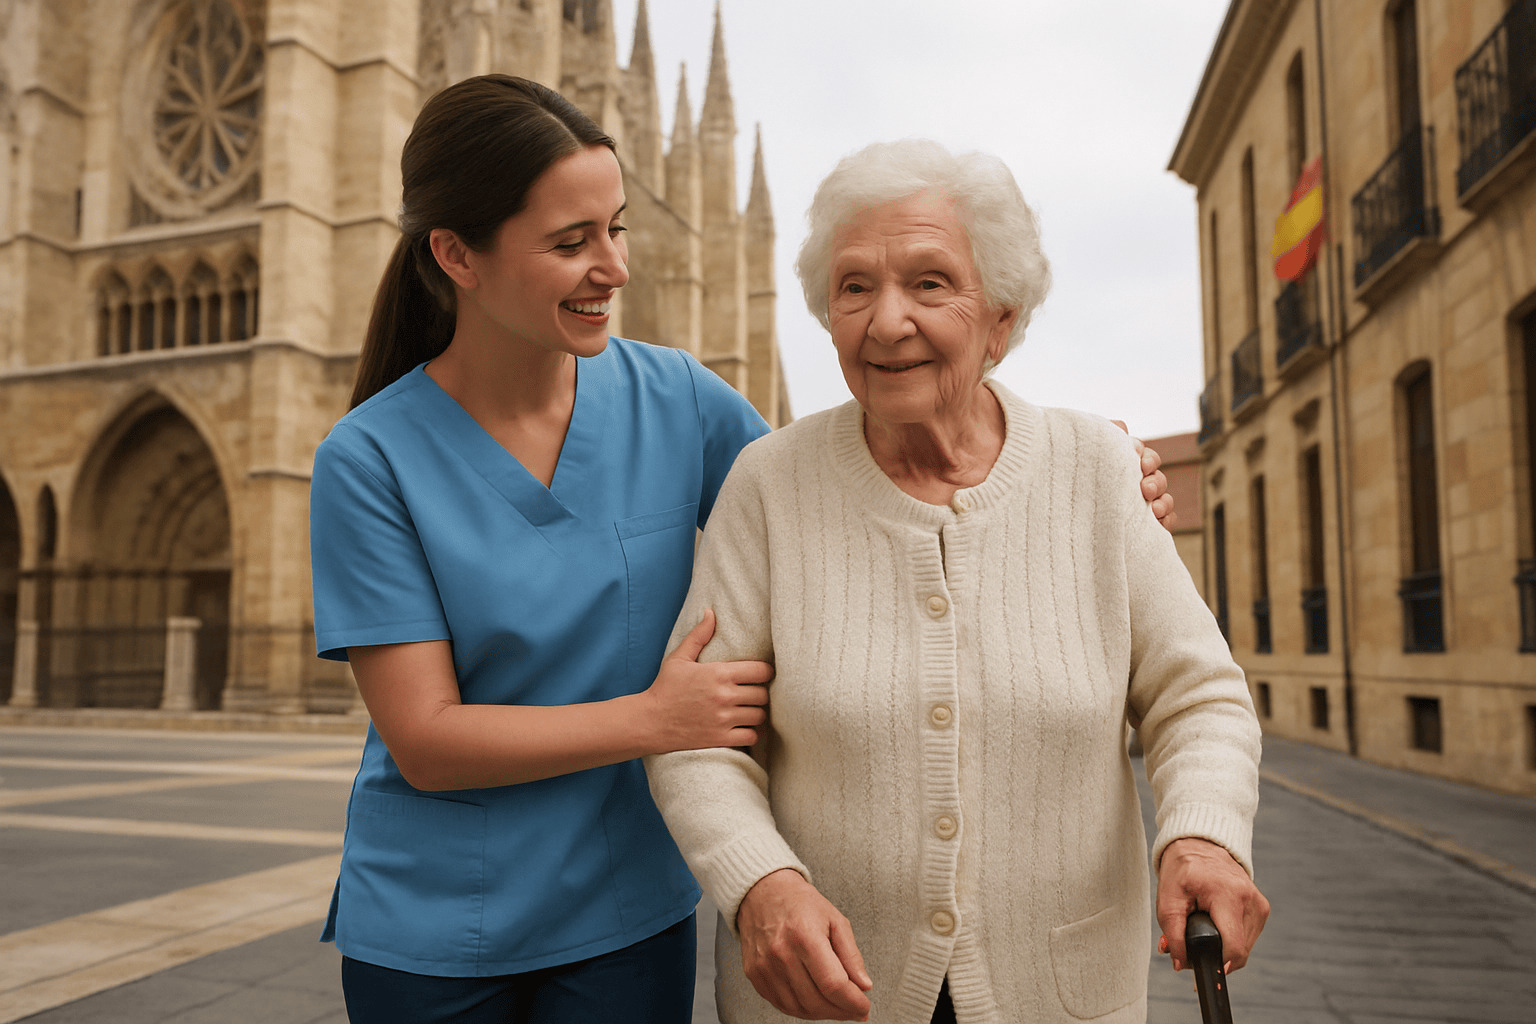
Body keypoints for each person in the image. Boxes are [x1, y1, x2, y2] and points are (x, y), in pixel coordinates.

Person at [310, 77, 1174, 1022]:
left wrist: (1068, 469)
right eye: (571, 243)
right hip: (438, 928)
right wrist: (654, 719)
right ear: (455, 256)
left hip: (624, 914)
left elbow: (852, 477)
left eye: (617, 227)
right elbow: (427, 742)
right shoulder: (368, 458)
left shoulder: (676, 398)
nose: (614, 267)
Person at [645, 139, 1269, 1024]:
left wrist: (1204, 833)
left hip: (1057, 992)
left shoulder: (1094, 469)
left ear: (1001, 322)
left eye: (930, 283)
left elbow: (1197, 696)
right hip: (818, 997)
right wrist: (761, 885)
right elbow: (698, 740)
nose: (885, 319)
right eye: (854, 287)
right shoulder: (768, 484)